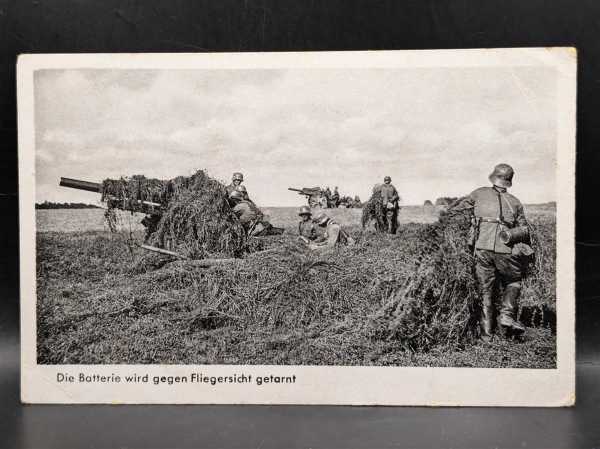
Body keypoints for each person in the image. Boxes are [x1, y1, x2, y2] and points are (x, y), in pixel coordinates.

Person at [456, 163, 531, 341]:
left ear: (494, 177)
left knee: (485, 291)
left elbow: (457, 210)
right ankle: (506, 316)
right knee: (513, 282)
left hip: (481, 248)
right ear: (509, 181)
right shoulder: (514, 202)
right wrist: (510, 234)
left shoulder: (479, 193)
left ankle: (487, 336)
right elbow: (525, 229)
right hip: (505, 251)